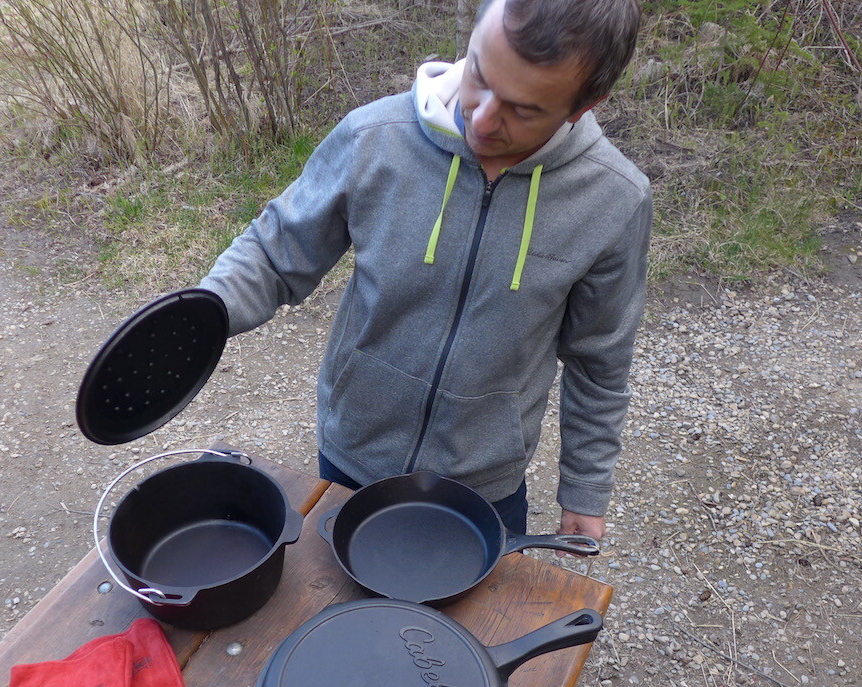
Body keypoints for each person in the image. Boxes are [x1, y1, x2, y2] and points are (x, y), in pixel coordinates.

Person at [199, 0, 650, 540]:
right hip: (353, 457)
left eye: (523, 109)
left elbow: (600, 362)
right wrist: (195, 319)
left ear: (583, 106)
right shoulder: (375, 137)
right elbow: (276, 252)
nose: (482, 118)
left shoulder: (613, 199)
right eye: (479, 75)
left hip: (484, 490)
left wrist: (585, 490)